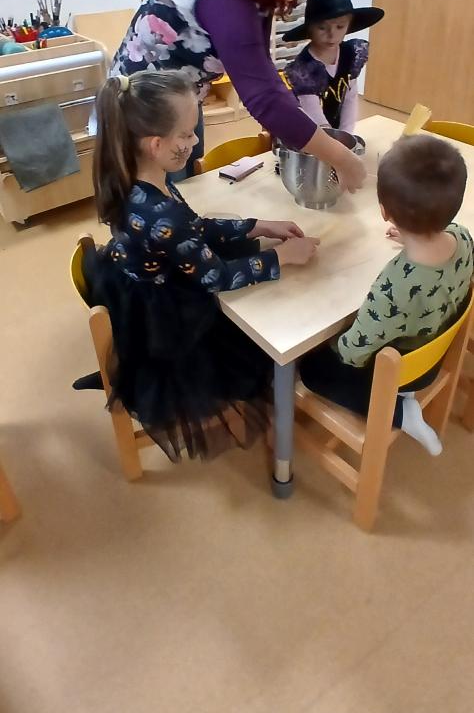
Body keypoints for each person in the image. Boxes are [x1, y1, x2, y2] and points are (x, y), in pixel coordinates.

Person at [86, 69, 319, 462]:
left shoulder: (138, 179)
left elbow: (193, 227)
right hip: (162, 319)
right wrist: (282, 256)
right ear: (156, 144)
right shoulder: (161, 212)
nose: (194, 142)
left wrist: (257, 225)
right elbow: (217, 277)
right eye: (187, 134)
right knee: (261, 341)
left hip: (134, 280)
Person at [108, 0, 365, 189]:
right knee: (158, 200)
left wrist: (286, 128)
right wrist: (341, 158)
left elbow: (262, 70)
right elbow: (263, 96)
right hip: (143, 113)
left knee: (188, 192)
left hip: (182, 98)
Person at [299, 134, 473, 455]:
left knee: (312, 368)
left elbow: (353, 352)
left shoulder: (394, 287)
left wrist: (329, 343)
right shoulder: (462, 236)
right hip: (432, 358)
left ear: (383, 211)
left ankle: (400, 412)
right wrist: (413, 236)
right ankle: (402, 400)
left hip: (399, 373)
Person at [283, 0, 384, 132]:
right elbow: (314, 115)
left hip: (333, 134)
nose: (332, 35)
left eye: (340, 26)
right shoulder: (304, 68)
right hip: (306, 133)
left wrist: (346, 134)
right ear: (310, 29)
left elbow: (350, 99)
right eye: (322, 28)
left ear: (349, 25)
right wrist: (332, 141)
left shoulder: (350, 54)